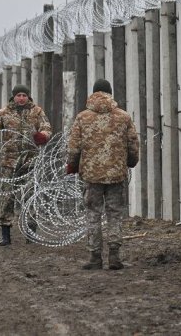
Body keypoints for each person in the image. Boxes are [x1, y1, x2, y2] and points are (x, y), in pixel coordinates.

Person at [66, 79, 139, 270]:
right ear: (110, 93)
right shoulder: (123, 117)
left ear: (93, 93)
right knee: (115, 214)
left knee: (93, 214)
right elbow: (133, 144)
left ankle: (95, 257)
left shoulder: (83, 117)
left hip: (91, 175)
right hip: (116, 174)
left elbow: (74, 147)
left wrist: (72, 165)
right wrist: (130, 162)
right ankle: (114, 256)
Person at [0, 84, 52, 246]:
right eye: (18, 95)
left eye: (24, 95)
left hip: (30, 161)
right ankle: (5, 233)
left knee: (30, 196)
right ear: (13, 97)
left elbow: (46, 127)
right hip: (9, 162)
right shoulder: (3, 114)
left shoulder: (37, 112)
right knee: (7, 197)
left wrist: (42, 136)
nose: (21, 98)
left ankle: (31, 232)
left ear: (28, 96)